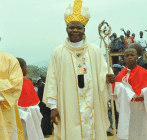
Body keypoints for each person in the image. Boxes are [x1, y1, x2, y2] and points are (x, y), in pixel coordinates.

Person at [42, 0, 115, 139]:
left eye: (79, 27)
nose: (75, 30)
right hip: (67, 106)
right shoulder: (58, 52)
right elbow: (52, 80)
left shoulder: (95, 50)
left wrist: (108, 79)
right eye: (71, 27)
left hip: (92, 104)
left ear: (84, 30)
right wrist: (53, 107)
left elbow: (103, 75)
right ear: (66, 29)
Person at [113, 48, 147, 140]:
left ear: (136, 57)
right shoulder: (120, 76)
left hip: (142, 106)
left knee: (143, 130)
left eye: (132, 55)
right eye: (127, 56)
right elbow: (115, 95)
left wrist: (145, 92)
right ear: (124, 59)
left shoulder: (145, 73)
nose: (129, 57)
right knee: (130, 131)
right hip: (128, 107)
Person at [17, 58, 44, 140]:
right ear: (19, 68)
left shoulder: (27, 82)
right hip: (19, 117)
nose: (26, 70)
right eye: (25, 67)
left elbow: (34, 103)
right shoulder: (11, 83)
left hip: (29, 117)